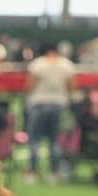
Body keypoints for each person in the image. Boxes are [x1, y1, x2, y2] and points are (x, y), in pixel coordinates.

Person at [25, 42, 76, 183]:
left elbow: (30, 85)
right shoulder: (67, 65)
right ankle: (53, 173)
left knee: (34, 140)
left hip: (38, 103)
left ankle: (32, 173)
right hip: (58, 103)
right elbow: (72, 86)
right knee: (54, 140)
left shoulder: (37, 64)